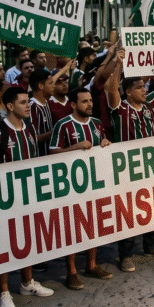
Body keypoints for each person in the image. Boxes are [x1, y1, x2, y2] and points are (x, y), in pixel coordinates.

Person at [0, 87, 54, 307]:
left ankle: (27, 283)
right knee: (3, 243)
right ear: (10, 106)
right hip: (3, 198)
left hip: (27, 195)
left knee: (27, 237)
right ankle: (4, 292)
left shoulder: (29, 127)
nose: (28, 105)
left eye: (27, 102)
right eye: (22, 102)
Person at [108, 61, 154, 270]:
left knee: (151, 204)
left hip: (149, 164)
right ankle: (125, 254)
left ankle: (150, 244)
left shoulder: (148, 105)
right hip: (126, 166)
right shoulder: (119, 107)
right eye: (139, 87)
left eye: (144, 86)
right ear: (128, 92)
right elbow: (111, 87)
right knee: (128, 209)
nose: (144, 89)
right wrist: (119, 63)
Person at [50, 88, 112, 290]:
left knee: (93, 222)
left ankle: (91, 265)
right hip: (71, 185)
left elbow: (103, 146)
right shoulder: (63, 125)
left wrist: (105, 144)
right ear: (74, 105)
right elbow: (52, 153)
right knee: (73, 227)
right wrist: (73, 149)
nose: (90, 104)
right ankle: (72, 271)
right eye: (84, 101)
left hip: (94, 181)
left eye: (91, 100)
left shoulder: (97, 124)